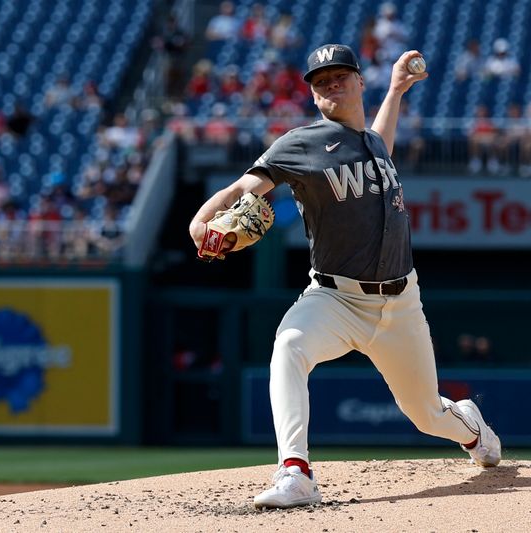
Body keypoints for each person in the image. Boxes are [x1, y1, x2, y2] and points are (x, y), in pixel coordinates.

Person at [188, 44, 502, 510]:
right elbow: (242, 188)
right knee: (289, 346)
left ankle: (472, 429)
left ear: (359, 81)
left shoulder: (372, 143)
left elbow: (381, 142)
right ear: (314, 96)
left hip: (400, 303)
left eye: (339, 76)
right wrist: (200, 224)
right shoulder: (302, 143)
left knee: (427, 415)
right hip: (335, 298)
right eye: (320, 82)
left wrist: (397, 88)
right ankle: (295, 472)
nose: (331, 85)